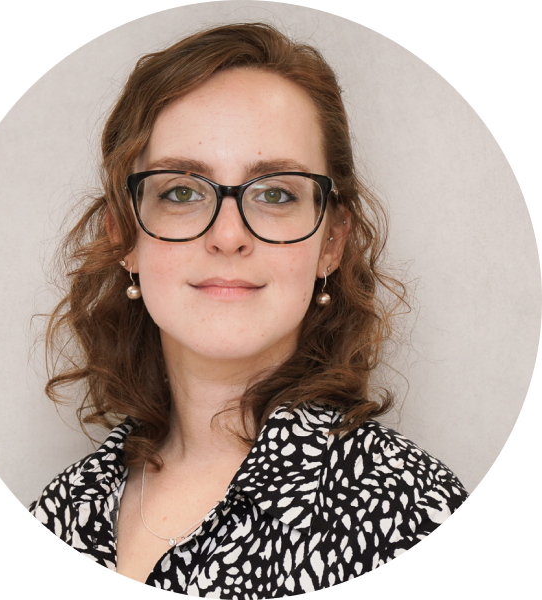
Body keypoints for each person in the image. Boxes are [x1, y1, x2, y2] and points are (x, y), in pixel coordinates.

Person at [29, 22, 468, 592]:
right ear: (124, 238)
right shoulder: (61, 510)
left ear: (331, 242)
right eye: (182, 192)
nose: (229, 236)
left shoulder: (410, 511)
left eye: (276, 193)